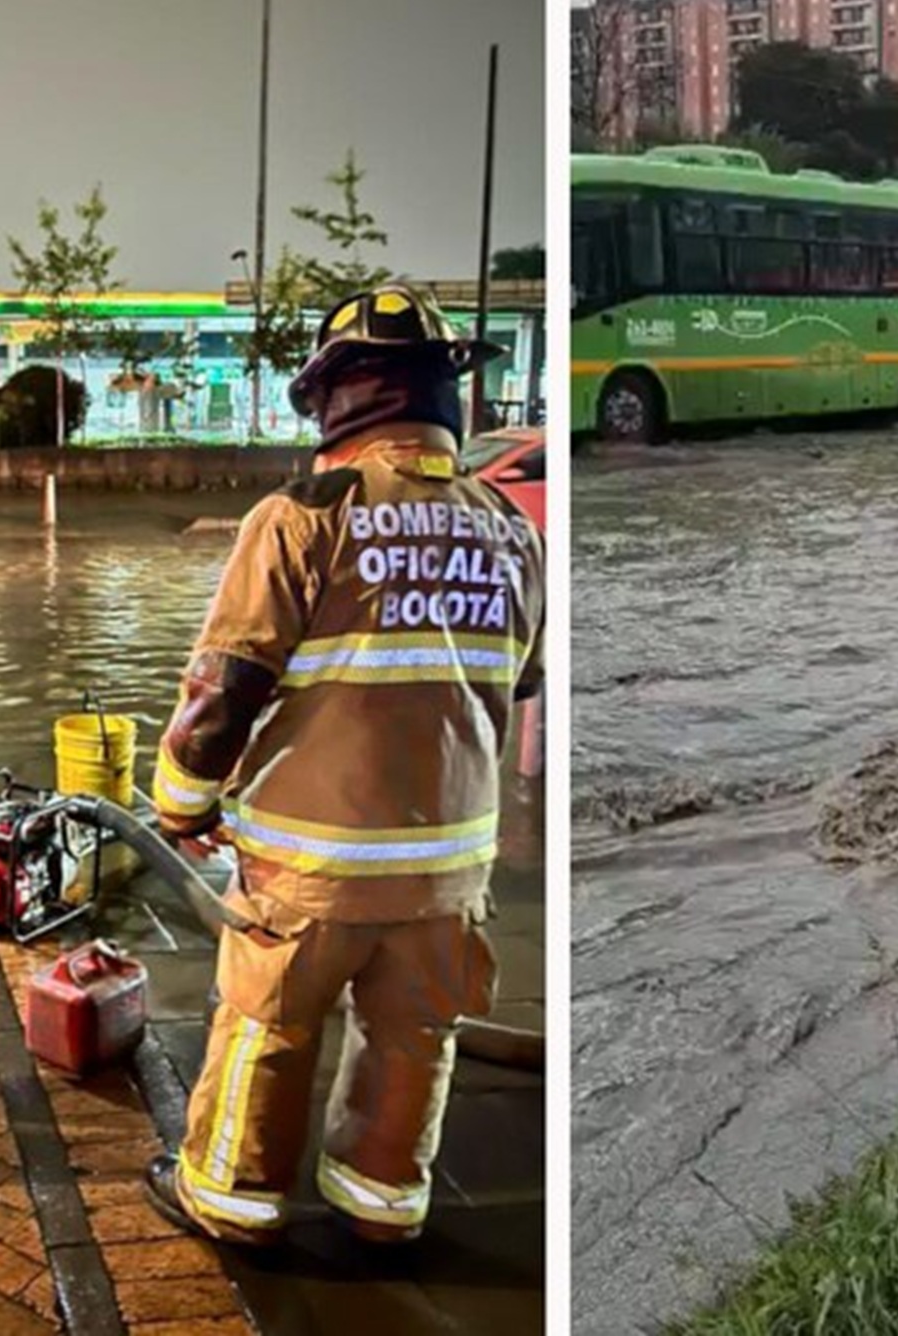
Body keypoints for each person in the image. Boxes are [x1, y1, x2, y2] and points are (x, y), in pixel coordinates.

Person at [144, 284, 544, 1245]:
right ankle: (382, 1207)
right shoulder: (512, 532)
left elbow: (222, 694)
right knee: (414, 1037)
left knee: (267, 1028)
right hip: (451, 872)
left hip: (311, 870)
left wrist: (180, 801)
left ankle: (232, 1198)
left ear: (340, 401)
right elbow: (520, 688)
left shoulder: (303, 516)